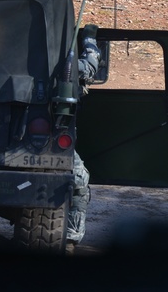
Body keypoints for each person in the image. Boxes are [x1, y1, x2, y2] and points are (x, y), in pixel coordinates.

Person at [67, 23, 101, 253]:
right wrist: (89, 39)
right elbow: (90, 66)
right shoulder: (62, 63)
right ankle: (70, 238)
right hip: (47, 139)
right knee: (78, 180)